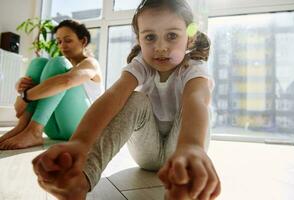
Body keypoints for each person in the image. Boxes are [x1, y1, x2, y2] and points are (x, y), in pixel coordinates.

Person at [32, 0, 221, 199]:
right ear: (139, 40)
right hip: (147, 152)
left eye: (172, 36)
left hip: (182, 150)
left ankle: (185, 186)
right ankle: (82, 177)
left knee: (197, 101)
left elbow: (196, 99)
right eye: (150, 37)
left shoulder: (193, 67)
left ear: (189, 39)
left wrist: (191, 146)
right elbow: (114, 95)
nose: (160, 47)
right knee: (135, 98)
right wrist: (80, 142)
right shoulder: (142, 64)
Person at [0, 19, 103, 150]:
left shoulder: (91, 63)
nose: (62, 45)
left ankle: (34, 131)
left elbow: (67, 80)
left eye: (68, 40)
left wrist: (25, 96)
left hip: (81, 128)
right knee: (38, 63)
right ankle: (23, 127)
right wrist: (20, 87)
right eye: (59, 41)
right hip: (53, 129)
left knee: (58, 63)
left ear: (83, 41)